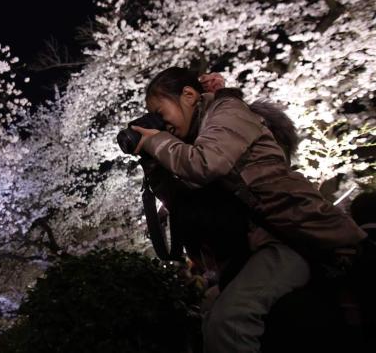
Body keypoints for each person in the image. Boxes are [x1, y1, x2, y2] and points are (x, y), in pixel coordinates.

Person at [131, 67, 367, 353]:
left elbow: (205, 165)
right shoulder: (193, 142)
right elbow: (182, 203)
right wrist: (155, 167)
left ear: (189, 95)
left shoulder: (227, 111)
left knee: (228, 324)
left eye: (159, 111)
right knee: (210, 321)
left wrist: (157, 141)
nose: (159, 123)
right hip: (258, 246)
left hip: (290, 240)